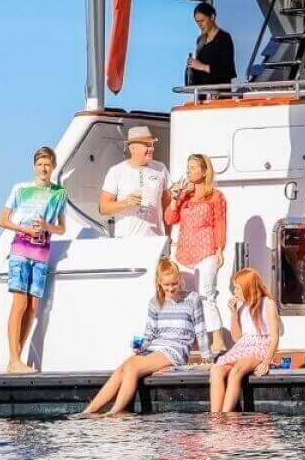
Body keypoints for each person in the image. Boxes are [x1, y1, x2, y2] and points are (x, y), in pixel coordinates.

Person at [82, 258, 207, 415]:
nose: (171, 288)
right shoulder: (155, 302)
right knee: (123, 367)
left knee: (132, 368)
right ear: (159, 283)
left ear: (179, 279)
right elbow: (150, 335)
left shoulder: (192, 299)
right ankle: (88, 411)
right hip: (155, 348)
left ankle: (114, 412)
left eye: (174, 283)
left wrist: (207, 358)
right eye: (167, 285)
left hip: (175, 349)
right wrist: (138, 346)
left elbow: (201, 330)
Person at [0, 147, 67, 374]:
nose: (43, 168)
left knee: (33, 307)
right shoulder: (20, 189)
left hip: (42, 251)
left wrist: (46, 226)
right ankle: (14, 359)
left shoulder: (59, 193)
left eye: (47, 164)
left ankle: (16, 359)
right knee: (20, 304)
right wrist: (23, 227)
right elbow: (3, 220)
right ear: (34, 166)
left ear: (53, 166)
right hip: (20, 248)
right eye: (39, 164)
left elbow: (62, 228)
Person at [165, 153, 228, 355]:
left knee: (206, 294)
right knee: (186, 297)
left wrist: (220, 249)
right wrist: (174, 199)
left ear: (204, 171)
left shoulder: (216, 196)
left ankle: (217, 340)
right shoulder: (185, 195)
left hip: (207, 249)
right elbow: (170, 218)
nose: (189, 171)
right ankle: (192, 341)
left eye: (193, 167)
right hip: (184, 251)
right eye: (188, 167)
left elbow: (220, 223)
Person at [209, 268, 282, 413]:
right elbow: (237, 338)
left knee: (236, 371)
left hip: (260, 345)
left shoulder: (267, 303)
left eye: (237, 288)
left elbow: (274, 337)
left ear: (248, 288)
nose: (235, 292)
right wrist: (234, 313)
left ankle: (226, 415)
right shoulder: (242, 307)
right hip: (243, 346)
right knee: (217, 369)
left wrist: (266, 361)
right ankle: (215, 417)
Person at [98, 126, 167, 238]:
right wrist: (126, 203)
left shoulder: (161, 168)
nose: (151, 149)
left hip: (156, 242)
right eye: (147, 145)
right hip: (127, 242)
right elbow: (103, 208)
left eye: (152, 145)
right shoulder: (116, 171)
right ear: (132, 148)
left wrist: (168, 237)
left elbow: (167, 205)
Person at [185, 2, 237, 88]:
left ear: (212, 17)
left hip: (218, 94)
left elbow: (228, 70)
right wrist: (192, 67)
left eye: (202, 20)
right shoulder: (200, 40)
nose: (199, 25)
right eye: (197, 22)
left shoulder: (224, 38)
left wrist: (202, 66)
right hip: (201, 94)